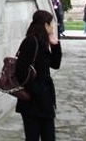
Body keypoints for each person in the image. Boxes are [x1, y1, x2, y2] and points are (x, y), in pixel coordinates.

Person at [15, 10, 62, 141]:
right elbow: (21, 71)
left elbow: (55, 64)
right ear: (44, 25)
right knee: (32, 137)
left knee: (49, 136)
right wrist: (37, 92)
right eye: (50, 24)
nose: (52, 27)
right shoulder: (30, 42)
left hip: (45, 100)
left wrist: (56, 45)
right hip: (32, 101)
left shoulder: (43, 43)